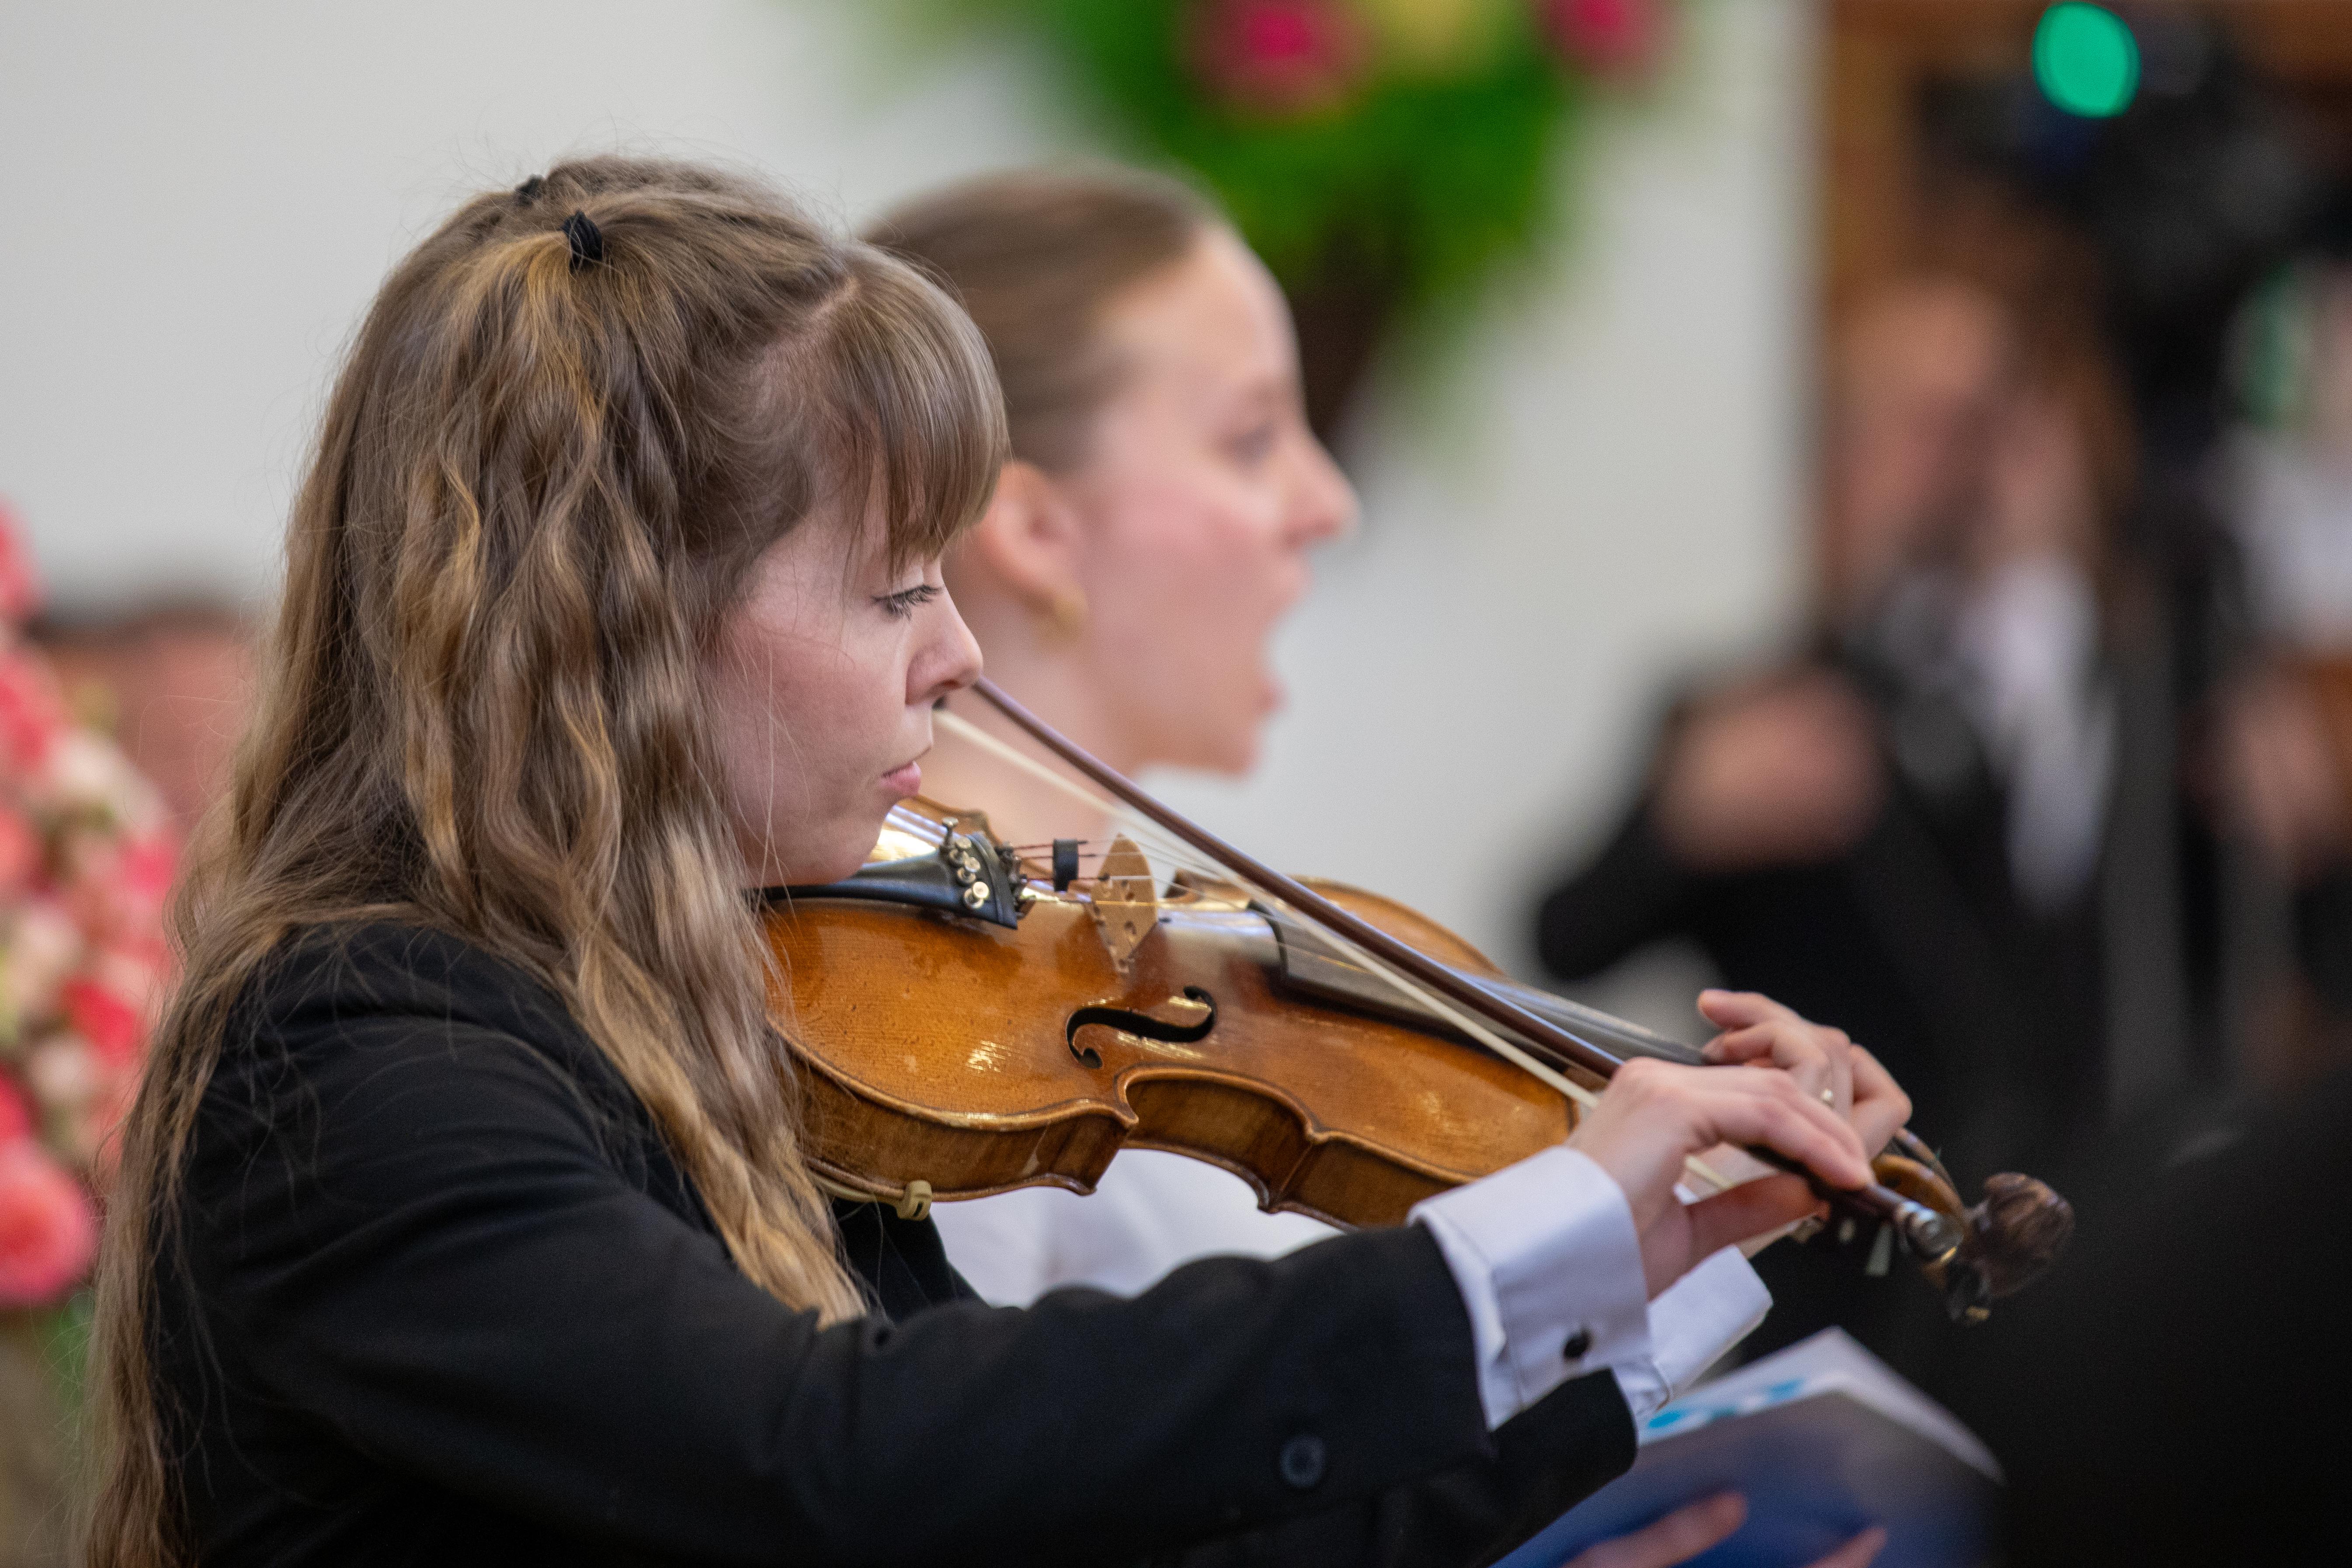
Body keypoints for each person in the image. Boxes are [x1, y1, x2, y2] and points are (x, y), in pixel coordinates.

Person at [84, 156, 1907, 1568]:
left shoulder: (724, 1024)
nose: (956, 655)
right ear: (623, 628)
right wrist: (1510, 1248)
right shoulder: (358, 1051)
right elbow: (832, 1459)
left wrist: (1652, 1271)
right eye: (896, 587)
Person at [873, 167, 1888, 1568]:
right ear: (1037, 528)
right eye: (1251, 438)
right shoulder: (931, 1013)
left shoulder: (1155, 953)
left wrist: (1705, 1230)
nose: (1328, 501)